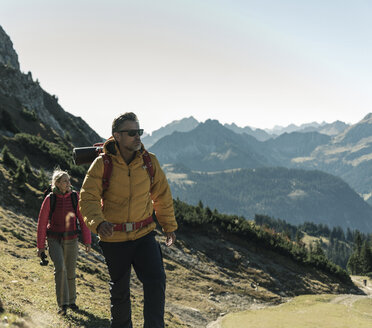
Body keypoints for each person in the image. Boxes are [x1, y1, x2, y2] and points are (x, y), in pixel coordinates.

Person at [79, 112, 177, 328]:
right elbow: (88, 198)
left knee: (156, 281)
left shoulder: (150, 162)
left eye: (139, 131)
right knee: (120, 291)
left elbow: (161, 195)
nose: (138, 137)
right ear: (117, 136)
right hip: (114, 239)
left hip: (145, 236)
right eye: (132, 133)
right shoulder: (101, 164)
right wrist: (98, 223)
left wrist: (169, 226)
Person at [37, 169, 91, 315]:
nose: (69, 183)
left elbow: (83, 220)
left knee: (70, 270)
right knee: (60, 268)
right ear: (57, 183)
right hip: (54, 240)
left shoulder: (75, 197)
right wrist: (40, 247)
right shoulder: (50, 199)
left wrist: (87, 241)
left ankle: (71, 301)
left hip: (72, 240)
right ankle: (62, 304)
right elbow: (42, 224)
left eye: (69, 180)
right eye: (65, 181)